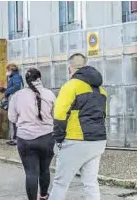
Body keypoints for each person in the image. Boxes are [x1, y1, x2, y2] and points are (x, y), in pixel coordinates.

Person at [50, 53, 108, 200]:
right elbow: (104, 115)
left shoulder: (71, 86)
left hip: (76, 140)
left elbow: (59, 115)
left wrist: (58, 139)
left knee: (60, 183)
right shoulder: (101, 90)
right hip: (98, 141)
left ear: (70, 68)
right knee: (90, 182)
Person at [8, 68, 56, 200]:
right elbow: (56, 116)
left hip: (25, 139)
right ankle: (43, 196)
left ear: (26, 80)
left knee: (31, 172)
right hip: (47, 138)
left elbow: (12, 118)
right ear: (39, 78)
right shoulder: (50, 94)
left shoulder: (17, 96)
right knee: (45, 169)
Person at [4, 63, 23, 146]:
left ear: (11, 70)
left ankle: (15, 139)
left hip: (16, 100)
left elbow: (17, 87)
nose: (7, 72)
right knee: (14, 119)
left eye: (7, 70)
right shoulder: (13, 77)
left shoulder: (15, 77)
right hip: (15, 99)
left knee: (14, 119)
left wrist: (6, 92)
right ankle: (14, 138)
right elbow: (9, 88)